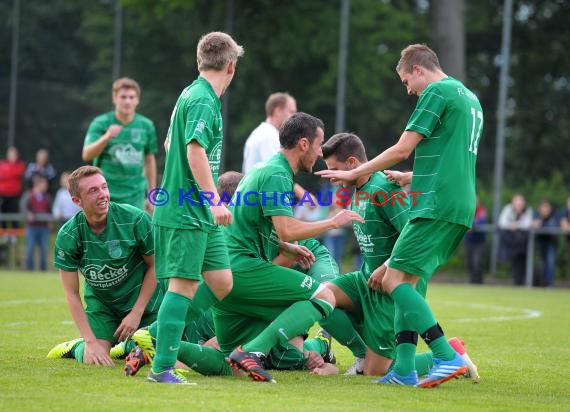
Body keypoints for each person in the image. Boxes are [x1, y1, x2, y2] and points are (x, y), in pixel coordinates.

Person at [317, 44, 482, 388]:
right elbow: (452, 157)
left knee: (392, 280)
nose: (408, 90)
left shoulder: (436, 91)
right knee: (402, 283)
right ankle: (405, 369)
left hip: (435, 203)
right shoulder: (468, 98)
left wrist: (355, 172)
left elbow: (403, 148)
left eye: (407, 81)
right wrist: (412, 178)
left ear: (419, 70)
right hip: (455, 200)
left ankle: (446, 355)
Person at [215, 112, 363, 383]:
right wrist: (332, 222)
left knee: (218, 354)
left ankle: (149, 348)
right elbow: (287, 228)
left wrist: (284, 246)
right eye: (319, 145)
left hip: (232, 265)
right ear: (304, 144)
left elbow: (256, 225)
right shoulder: (277, 174)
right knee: (324, 297)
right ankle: (253, 352)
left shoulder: (266, 168)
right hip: (243, 266)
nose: (320, 153)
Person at [149, 31, 244, 384]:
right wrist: (213, 200)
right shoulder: (203, 99)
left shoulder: (189, 93)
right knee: (183, 286)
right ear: (231, 67)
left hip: (197, 213)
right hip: (188, 211)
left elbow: (168, 141)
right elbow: (193, 150)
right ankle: (161, 366)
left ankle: (160, 335)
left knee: (221, 282)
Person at [46, 166, 163, 365]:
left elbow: (156, 266)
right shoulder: (68, 235)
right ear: (77, 201)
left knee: (154, 352)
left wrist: (136, 312)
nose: (103, 195)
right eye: (93, 190)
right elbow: (71, 293)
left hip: (144, 305)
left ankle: (124, 346)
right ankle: (77, 346)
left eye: (104, 187)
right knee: (93, 359)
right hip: (103, 306)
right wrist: (90, 341)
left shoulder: (136, 219)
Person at [82, 77, 157, 211]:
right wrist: (106, 137)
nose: (127, 101)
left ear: (137, 100)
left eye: (131, 97)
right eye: (123, 97)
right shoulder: (101, 123)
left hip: (135, 195)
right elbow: (87, 154)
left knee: (132, 232)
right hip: (105, 194)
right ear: (114, 98)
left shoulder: (147, 126)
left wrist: (151, 195)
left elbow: (150, 161)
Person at [242, 92, 315, 203]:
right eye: (291, 112)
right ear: (277, 111)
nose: (294, 117)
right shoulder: (268, 135)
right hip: (258, 199)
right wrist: (303, 194)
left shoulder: (266, 132)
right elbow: (275, 171)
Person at [498, 194, 533, 286]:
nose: (519, 206)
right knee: (514, 261)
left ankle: (519, 282)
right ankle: (516, 281)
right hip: (510, 241)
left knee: (521, 262)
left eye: (520, 204)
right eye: (517, 203)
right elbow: (502, 223)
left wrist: (515, 225)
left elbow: (527, 224)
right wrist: (513, 226)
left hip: (522, 242)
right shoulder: (508, 209)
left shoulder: (527, 210)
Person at [21, 174, 51, 271]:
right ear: (37, 184)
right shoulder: (28, 195)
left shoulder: (47, 197)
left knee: (44, 250)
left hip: (44, 227)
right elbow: (23, 207)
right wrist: (28, 214)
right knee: (29, 249)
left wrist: (49, 221)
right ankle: (29, 270)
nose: (46, 186)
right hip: (31, 227)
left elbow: (50, 210)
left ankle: (43, 270)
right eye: (44, 183)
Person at [532, 200, 559, 287]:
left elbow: (554, 227)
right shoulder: (536, 215)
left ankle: (550, 284)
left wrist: (542, 224)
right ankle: (543, 283)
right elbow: (533, 225)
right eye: (543, 207)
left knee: (550, 263)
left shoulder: (554, 215)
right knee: (543, 264)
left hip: (551, 243)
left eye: (546, 207)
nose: (545, 210)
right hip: (540, 242)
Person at [0, 146, 26, 232]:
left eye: (14, 154)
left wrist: (8, 172)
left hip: (15, 194)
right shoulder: (2, 164)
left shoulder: (20, 164)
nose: (12, 156)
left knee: (14, 215)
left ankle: (14, 235)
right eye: (10, 154)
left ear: (17, 155)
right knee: (3, 214)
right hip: (3, 194)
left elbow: (16, 173)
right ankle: (4, 233)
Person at [464, 197, 487, 284]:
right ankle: (472, 281)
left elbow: (480, 222)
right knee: (469, 262)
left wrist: (470, 224)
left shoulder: (482, 210)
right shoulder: (467, 210)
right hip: (469, 240)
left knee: (477, 262)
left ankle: (478, 282)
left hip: (479, 241)